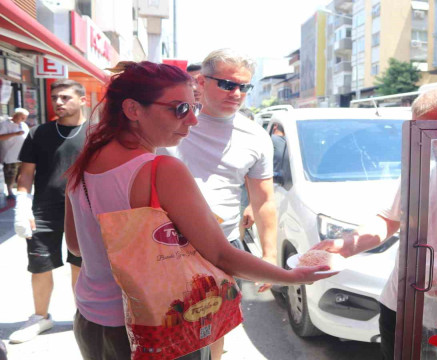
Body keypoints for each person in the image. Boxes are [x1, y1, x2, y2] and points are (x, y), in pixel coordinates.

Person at [63, 61, 334, 360]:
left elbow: (75, 245)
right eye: (180, 109)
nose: (192, 120)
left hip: (91, 320)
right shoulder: (159, 170)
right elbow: (220, 255)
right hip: (155, 328)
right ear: (132, 109)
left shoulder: (85, 161)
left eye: (194, 107)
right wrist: (293, 276)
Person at [312, 89, 437, 360]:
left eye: (436, 130)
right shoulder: (424, 163)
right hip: (401, 304)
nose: (430, 141)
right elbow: (389, 220)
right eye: (418, 130)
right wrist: (343, 246)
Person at [163, 49, 277, 292]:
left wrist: (270, 255)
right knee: (166, 324)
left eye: (244, 87)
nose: (236, 94)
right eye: (227, 84)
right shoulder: (168, 121)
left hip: (224, 245)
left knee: (217, 325)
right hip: (164, 245)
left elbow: (264, 199)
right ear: (201, 82)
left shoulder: (256, 136)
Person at [9, 80, 87, 344]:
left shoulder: (97, 133)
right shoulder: (39, 133)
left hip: (84, 210)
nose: (58, 102)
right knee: (39, 264)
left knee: (81, 265)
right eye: (55, 97)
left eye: (65, 97)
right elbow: (26, 172)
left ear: (82, 100)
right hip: (44, 208)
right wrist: (22, 204)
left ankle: (83, 316)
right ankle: (40, 317)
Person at [0, 108, 29, 200]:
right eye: (22, 117)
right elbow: (1, 137)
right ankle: (10, 191)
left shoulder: (23, 125)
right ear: (15, 116)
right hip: (10, 156)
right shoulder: (5, 124)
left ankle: (21, 191)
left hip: (23, 155)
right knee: (10, 174)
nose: (24, 120)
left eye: (25, 118)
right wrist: (15, 134)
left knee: (22, 174)